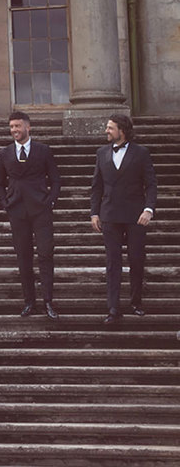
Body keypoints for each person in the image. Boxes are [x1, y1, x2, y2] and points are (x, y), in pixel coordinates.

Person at [90, 113, 157, 325]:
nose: (106, 131)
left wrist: (148, 209)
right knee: (112, 262)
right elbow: (97, 186)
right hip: (109, 215)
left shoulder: (141, 153)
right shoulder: (101, 153)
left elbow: (151, 184)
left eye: (110, 128)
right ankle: (113, 308)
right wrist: (94, 212)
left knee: (136, 259)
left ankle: (136, 302)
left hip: (136, 215)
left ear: (123, 130)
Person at [0, 110, 61, 318]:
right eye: (12, 127)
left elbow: (56, 180)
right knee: (23, 257)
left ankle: (48, 301)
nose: (15, 130)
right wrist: (6, 203)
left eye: (18, 126)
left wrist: (49, 201)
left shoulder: (43, 150)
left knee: (45, 255)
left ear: (28, 127)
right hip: (17, 211)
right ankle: (29, 302)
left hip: (41, 210)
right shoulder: (4, 153)